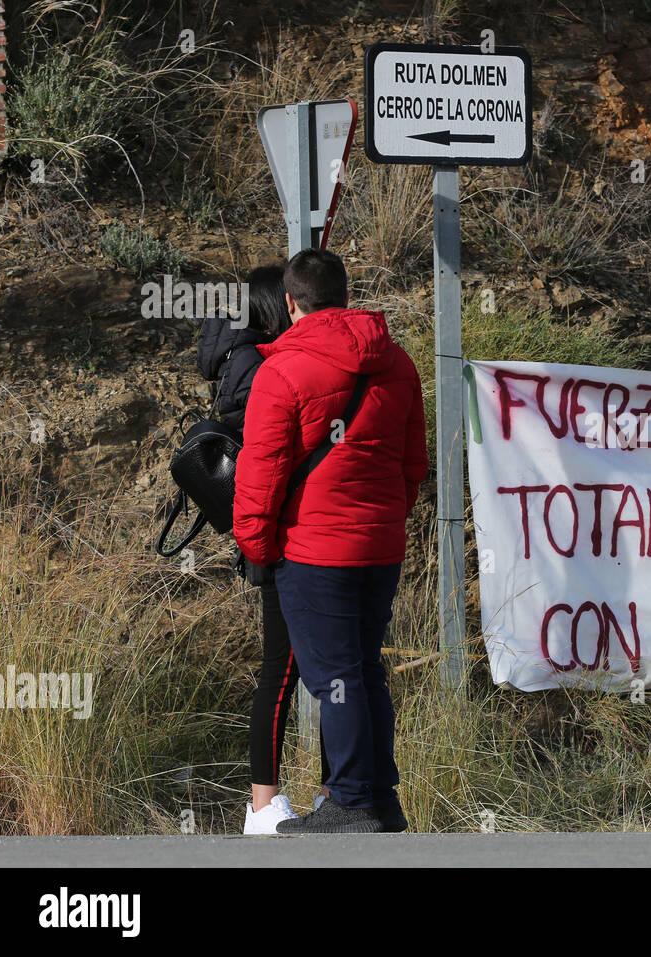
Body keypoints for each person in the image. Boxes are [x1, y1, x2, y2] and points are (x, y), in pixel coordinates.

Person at [233, 249, 427, 834]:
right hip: (380, 547)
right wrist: (383, 520)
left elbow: (260, 474)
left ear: (290, 302)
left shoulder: (282, 372)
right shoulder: (399, 365)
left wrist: (259, 548)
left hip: (314, 553)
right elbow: (414, 465)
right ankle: (378, 799)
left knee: (334, 676)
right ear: (345, 295)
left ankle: (348, 802)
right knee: (365, 670)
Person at [197, 264, 331, 835]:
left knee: (291, 667)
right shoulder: (260, 368)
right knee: (293, 667)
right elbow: (271, 458)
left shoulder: (236, 362)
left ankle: (272, 802)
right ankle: (268, 804)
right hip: (282, 539)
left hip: (265, 538)